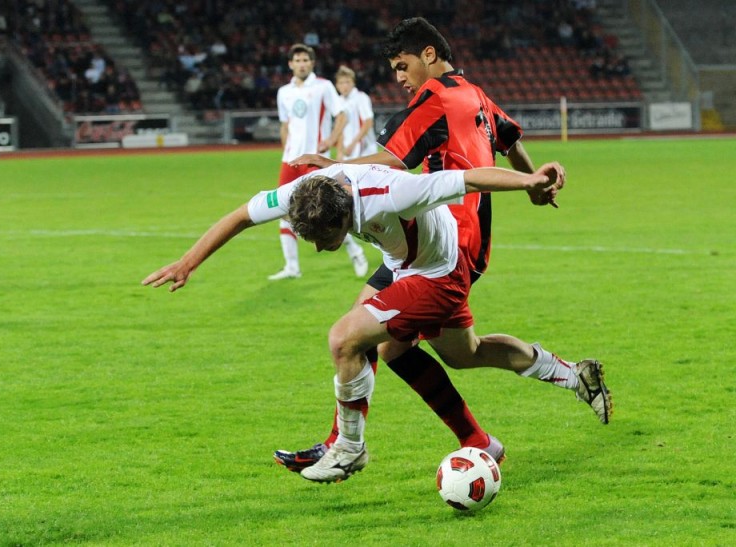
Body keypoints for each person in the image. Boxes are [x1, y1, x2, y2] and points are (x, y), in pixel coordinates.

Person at [275, 17, 610, 473]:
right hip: (471, 247)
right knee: (461, 353)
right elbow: (510, 140)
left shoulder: (432, 97)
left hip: (436, 247)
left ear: (428, 54)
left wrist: (334, 166)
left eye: (402, 65)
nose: (399, 77)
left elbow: (391, 159)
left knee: (364, 338)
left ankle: (345, 445)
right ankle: (572, 376)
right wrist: (533, 183)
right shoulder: (475, 93)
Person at [142, 161, 580, 483]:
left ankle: (349, 450)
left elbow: (467, 178)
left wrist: (528, 181)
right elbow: (240, 215)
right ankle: (559, 381)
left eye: (324, 240)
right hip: (404, 263)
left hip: (438, 272)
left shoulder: (393, 194)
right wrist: (187, 262)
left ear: (346, 218)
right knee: (462, 354)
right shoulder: (303, 193)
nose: (317, 249)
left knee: (345, 339)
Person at [270, 43, 368, 280]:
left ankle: (356, 252)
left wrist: (330, 141)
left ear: (312, 63)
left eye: (306, 60)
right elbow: (285, 125)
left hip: (314, 159)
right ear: (290, 64)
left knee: (329, 210)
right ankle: (292, 266)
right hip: (290, 161)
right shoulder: (284, 91)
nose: (302, 64)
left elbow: (342, 115)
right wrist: (287, 148)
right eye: (298, 60)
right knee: (283, 211)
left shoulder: (323, 87)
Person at [333, 65, 376, 161]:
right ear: (337, 85)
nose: (345, 86)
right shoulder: (338, 101)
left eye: (347, 82)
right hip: (348, 150)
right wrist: (339, 152)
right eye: (341, 83)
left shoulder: (361, 97)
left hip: (365, 150)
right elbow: (340, 130)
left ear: (353, 83)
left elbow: (368, 122)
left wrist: (353, 144)